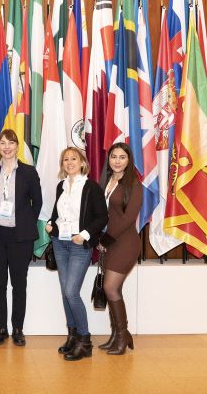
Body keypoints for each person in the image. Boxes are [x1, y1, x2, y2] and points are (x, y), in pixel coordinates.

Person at [45, 147, 108, 361]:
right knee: (65, 292)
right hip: (60, 243)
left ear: (82, 162)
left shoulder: (91, 187)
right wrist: (51, 223)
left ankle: (85, 341)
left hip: (79, 245)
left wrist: (85, 234)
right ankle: (72, 337)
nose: (69, 162)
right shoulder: (61, 186)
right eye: (65, 159)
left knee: (72, 292)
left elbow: (102, 217)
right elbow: (57, 213)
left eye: (74, 159)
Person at [0, 129, 42, 347]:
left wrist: (26, 223)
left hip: (20, 238)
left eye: (11, 143)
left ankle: (18, 328)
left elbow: (37, 202)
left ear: (17, 146)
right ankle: (1, 328)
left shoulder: (29, 172)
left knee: (19, 285)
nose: (7, 147)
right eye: (3, 143)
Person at [98, 142, 142, 355]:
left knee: (110, 288)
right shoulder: (106, 180)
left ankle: (122, 336)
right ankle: (117, 335)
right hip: (109, 241)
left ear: (128, 160)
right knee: (113, 289)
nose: (117, 161)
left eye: (122, 157)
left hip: (125, 242)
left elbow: (128, 218)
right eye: (113, 157)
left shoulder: (134, 184)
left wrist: (106, 239)